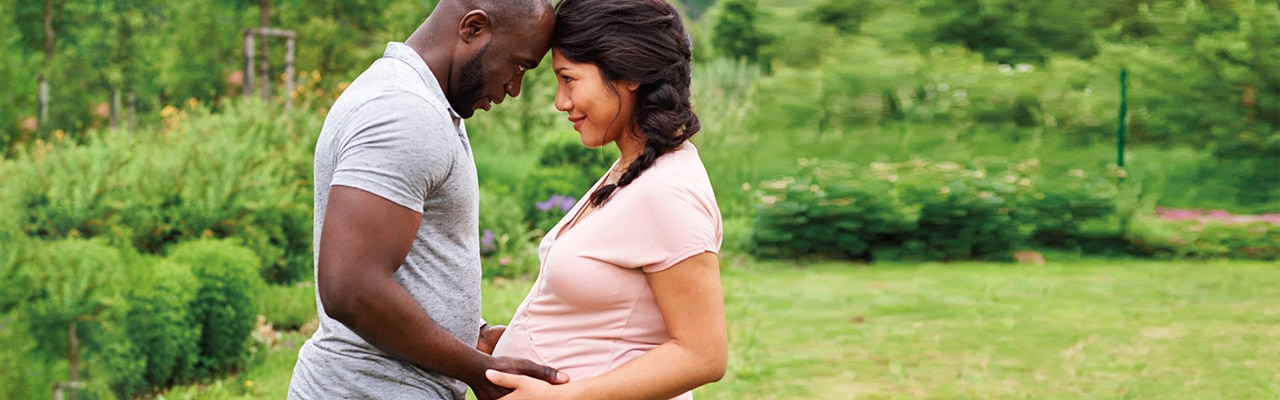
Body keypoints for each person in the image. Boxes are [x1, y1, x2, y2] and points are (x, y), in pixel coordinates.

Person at [287, 1, 569, 399]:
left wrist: (474, 334)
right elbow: (350, 288)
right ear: (473, 28)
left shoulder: (422, 101)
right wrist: (479, 370)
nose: (514, 88)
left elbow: (409, 263)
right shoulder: (406, 112)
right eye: (518, 65)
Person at [485, 0, 727, 398]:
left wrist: (564, 396)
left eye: (569, 79)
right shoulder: (633, 170)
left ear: (628, 72)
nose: (561, 102)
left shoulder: (669, 192)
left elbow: (704, 355)